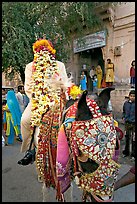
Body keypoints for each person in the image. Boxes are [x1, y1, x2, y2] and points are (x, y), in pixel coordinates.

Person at [18, 38, 72, 165]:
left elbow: (65, 85)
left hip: (58, 101)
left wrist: (63, 97)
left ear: (51, 52)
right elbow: (28, 88)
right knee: (24, 120)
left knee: (72, 122)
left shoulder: (59, 65)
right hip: (37, 101)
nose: (43, 53)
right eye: (40, 52)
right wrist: (40, 101)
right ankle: (30, 150)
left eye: (46, 51)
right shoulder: (30, 67)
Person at [122, 90, 135, 160]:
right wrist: (123, 117)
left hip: (134, 124)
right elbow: (123, 111)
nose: (132, 97)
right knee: (127, 138)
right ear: (129, 96)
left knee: (134, 139)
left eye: (134, 96)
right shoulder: (126, 104)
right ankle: (126, 152)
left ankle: (133, 154)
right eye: (131, 96)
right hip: (127, 123)